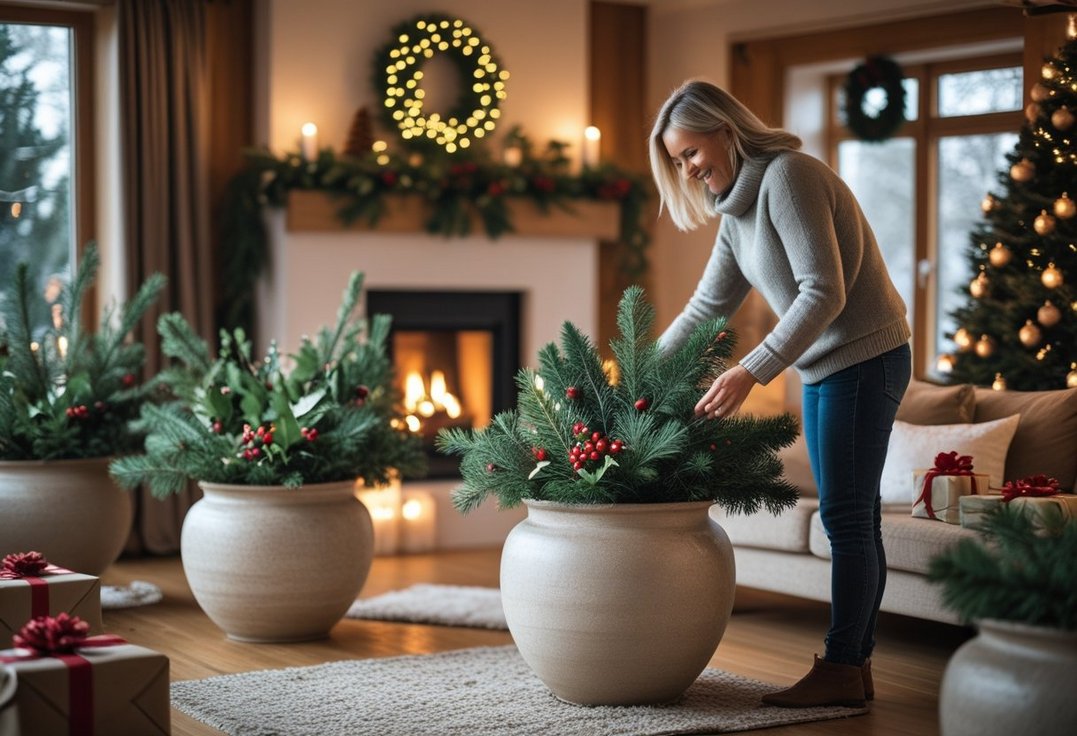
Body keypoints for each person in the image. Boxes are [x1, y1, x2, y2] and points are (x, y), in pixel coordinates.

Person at [649, 79, 912, 708]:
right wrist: (637, 372)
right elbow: (706, 307)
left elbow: (824, 291)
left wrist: (751, 370)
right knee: (844, 516)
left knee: (847, 519)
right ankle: (853, 668)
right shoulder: (735, 210)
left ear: (724, 129)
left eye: (690, 153)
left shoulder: (788, 176)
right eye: (678, 161)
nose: (687, 169)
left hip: (867, 357)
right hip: (826, 367)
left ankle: (845, 666)